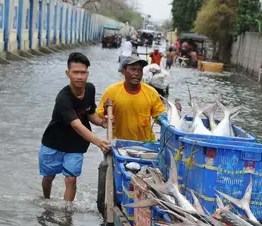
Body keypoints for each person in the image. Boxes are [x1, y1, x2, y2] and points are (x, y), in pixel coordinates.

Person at [39, 52, 110, 201]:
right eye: (75, 72)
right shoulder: (63, 98)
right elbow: (76, 125)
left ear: (87, 73)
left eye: (83, 72)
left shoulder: (90, 89)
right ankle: (45, 200)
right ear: (68, 73)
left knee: (71, 179)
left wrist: (102, 122)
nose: (79, 76)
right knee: (48, 176)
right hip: (54, 142)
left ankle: (67, 215)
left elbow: (89, 113)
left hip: (77, 144)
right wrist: (98, 142)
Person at [96, 56, 167, 142]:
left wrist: (164, 118)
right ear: (123, 71)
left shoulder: (151, 92)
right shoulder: (111, 92)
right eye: (133, 69)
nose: (137, 73)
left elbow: (160, 115)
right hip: (119, 143)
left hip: (145, 144)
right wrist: (105, 112)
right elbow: (99, 115)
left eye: (140, 70)